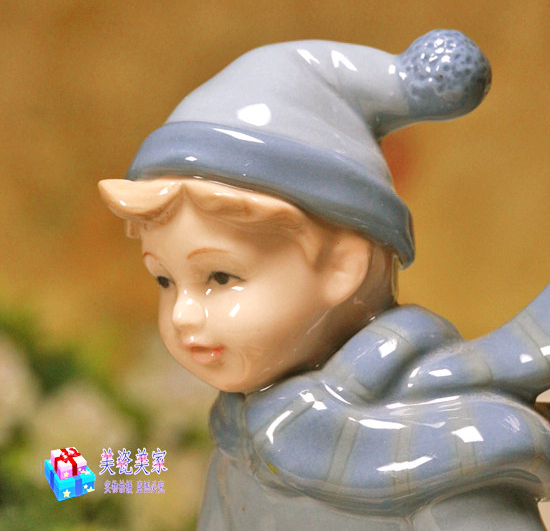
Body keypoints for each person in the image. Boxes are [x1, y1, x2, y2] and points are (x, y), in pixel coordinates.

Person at [99, 30, 550, 530]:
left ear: (341, 266)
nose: (183, 313)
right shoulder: (241, 440)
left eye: (220, 276)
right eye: (164, 280)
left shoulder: (447, 453)